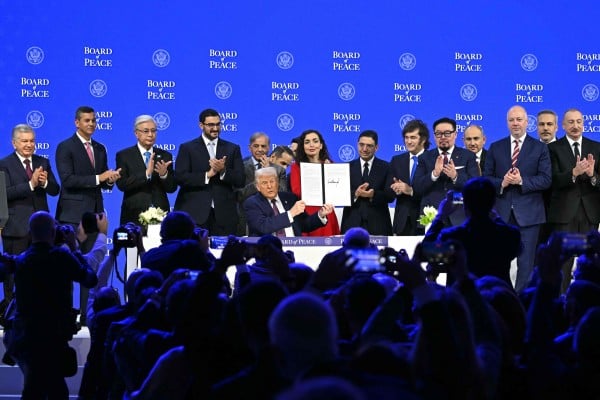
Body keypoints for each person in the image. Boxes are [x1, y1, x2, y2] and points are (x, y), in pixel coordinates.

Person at [10, 211, 97, 398]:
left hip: (29, 337)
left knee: (33, 389)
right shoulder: (62, 257)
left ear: (30, 232)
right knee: (55, 391)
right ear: (52, 232)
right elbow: (90, 279)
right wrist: (74, 248)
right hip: (54, 336)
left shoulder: (22, 260)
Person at [483, 105, 552, 292]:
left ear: (527, 122)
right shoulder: (495, 147)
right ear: (507, 123)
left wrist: (522, 181)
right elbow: (486, 178)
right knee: (498, 262)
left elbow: (546, 179)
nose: (515, 123)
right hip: (501, 215)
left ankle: (521, 303)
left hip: (530, 215)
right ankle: (500, 298)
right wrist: (502, 183)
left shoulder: (540, 148)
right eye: (512, 120)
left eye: (519, 119)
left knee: (526, 264)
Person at [0, 124, 59, 307]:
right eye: (24, 141)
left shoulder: (43, 161)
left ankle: (38, 310)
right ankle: (11, 314)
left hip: (41, 231)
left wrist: (45, 182)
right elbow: (5, 193)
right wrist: (31, 184)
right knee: (13, 274)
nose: (29, 145)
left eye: (32, 141)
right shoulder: (4, 164)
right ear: (14, 143)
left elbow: (55, 190)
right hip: (16, 228)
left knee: (41, 272)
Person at [424, 178, 522, 287]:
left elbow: (425, 251)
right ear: (494, 203)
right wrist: (496, 217)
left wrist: (440, 216)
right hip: (497, 298)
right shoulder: (509, 235)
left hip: (462, 300)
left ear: (465, 206)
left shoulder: (453, 237)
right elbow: (517, 249)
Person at [547, 108, 600, 292]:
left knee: (590, 263)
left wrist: (593, 175)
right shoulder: (552, 148)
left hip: (589, 214)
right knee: (563, 264)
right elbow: (552, 180)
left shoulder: (596, 147)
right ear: (562, 125)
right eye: (571, 122)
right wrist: (574, 173)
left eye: (579, 121)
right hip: (564, 215)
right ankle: (560, 305)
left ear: (583, 124)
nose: (575, 126)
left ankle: (590, 303)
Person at [174, 108, 244, 235]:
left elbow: (240, 180)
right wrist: (207, 175)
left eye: (218, 124)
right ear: (201, 125)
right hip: (195, 214)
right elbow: (180, 177)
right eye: (211, 125)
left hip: (224, 215)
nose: (215, 128)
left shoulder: (232, 149)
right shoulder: (187, 148)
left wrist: (223, 171)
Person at [55, 106, 121, 226]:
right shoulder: (65, 147)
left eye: (93, 120)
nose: (91, 124)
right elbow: (67, 180)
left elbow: (103, 180)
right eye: (87, 120)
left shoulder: (100, 148)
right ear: (77, 123)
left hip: (96, 214)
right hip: (73, 216)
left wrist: (110, 180)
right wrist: (98, 178)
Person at [412, 117, 479, 227]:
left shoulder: (468, 156)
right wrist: (434, 174)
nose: (443, 137)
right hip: (432, 217)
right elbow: (417, 188)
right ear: (434, 136)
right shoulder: (425, 158)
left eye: (447, 133)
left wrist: (455, 176)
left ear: (455, 134)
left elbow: (475, 187)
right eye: (438, 134)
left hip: (460, 217)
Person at [115, 115, 177, 227]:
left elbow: (172, 188)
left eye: (153, 131)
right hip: (133, 215)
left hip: (160, 214)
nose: (150, 134)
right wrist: (146, 174)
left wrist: (164, 175)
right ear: (136, 134)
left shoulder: (165, 155)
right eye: (146, 131)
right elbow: (122, 185)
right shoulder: (124, 156)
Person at [244, 167, 333, 237]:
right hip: (269, 250)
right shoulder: (252, 203)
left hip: (296, 247)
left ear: (277, 182)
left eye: (272, 181)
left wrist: (320, 215)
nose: (269, 186)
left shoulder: (290, 198)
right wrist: (290, 213)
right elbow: (263, 227)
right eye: (264, 183)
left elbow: (304, 225)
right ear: (258, 187)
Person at [341, 130, 393, 235]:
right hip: (351, 224)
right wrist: (355, 194)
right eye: (361, 145)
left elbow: (391, 196)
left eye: (369, 146)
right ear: (357, 145)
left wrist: (373, 195)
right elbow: (339, 195)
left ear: (376, 148)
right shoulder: (346, 167)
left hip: (379, 225)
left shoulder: (386, 167)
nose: (364, 149)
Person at [289, 129, 340, 236]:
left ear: (321, 145)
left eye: (315, 141)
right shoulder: (296, 167)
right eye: (307, 142)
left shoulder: (330, 165)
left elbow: (336, 191)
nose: (311, 145)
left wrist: (328, 172)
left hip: (327, 211)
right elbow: (297, 191)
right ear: (303, 146)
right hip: (307, 214)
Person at [237, 132, 288, 235]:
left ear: (269, 148)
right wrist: (260, 180)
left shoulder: (279, 170)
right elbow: (239, 195)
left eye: (263, 146)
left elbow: (282, 195)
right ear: (249, 148)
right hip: (247, 221)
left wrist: (269, 172)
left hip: (273, 219)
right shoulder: (240, 167)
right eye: (256, 146)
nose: (260, 149)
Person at [388, 119, 429, 236]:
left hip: (425, 219)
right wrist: (395, 189)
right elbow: (389, 193)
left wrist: (410, 191)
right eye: (406, 137)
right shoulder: (397, 161)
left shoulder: (433, 160)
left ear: (423, 139)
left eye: (413, 137)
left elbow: (434, 192)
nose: (408, 141)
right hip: (402, 223)